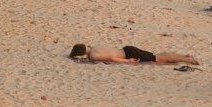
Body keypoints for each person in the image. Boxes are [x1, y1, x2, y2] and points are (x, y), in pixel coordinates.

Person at [69, 44, 198, 65]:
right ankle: (183, 56)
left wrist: (128, 61)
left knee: (159, 58)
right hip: (127, 48)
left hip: (128, 54)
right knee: (157, 55)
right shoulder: (94, 47)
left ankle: (187, 59)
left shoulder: (93, 56)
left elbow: (112, 58)